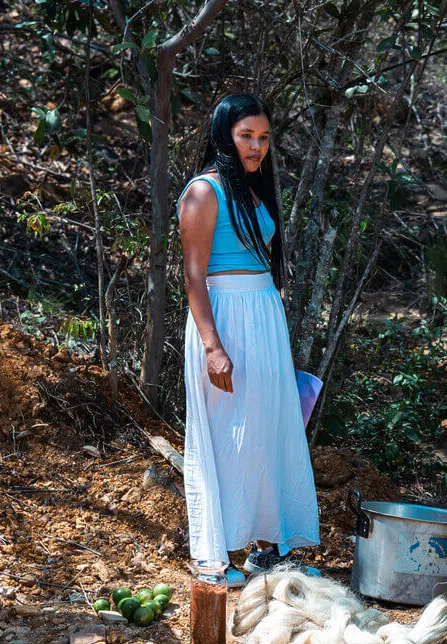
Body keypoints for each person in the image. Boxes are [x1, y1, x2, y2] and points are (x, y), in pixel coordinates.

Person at [176, 93, 319, 586]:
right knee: (225, 436)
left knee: (267, 431)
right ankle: (213, 557)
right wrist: (213, 346)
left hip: (263, 315)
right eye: (246, 136)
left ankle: (265, 551)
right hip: (225, 318)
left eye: (263, 138)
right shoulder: (203, 192)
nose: (256, 147)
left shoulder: (255, 192)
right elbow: (195, 277)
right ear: (224, 135)